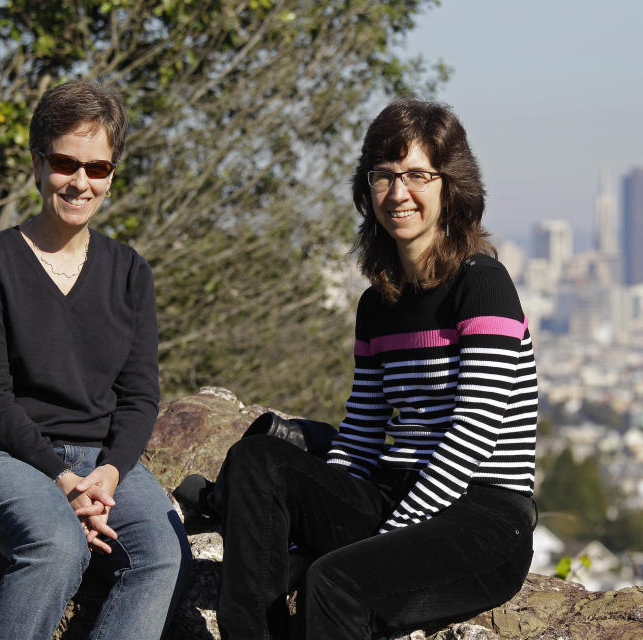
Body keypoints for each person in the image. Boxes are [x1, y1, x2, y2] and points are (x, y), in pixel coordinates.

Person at [206, 99, 538, 638]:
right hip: (392, 493)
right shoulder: (376, 305)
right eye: (383, 176)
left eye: (417, 175)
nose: (398, 192)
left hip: (481, 517)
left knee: (333, 582)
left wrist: (383, 537)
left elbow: (474, 432)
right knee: (258, 460)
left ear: (450, 186)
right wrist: (321, 520)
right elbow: (361, 430)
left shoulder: (483, 284)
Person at [0, 79, 190, 639]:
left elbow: (139, 398)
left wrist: (104, 477)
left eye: (99, 168)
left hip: (106, 466)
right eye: (66, 163)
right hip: (8, 458)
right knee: (57, 546)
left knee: (161, 553)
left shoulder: (131, 272)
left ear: (112, 175)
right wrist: (64, 483)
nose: (81, 182)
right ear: (38, 165)